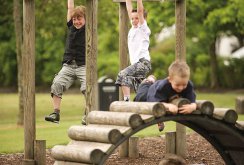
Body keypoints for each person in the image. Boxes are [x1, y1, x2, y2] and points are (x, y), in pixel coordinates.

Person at [45, 0, 86, 124]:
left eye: (79, 19)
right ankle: (56, 113)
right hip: (68, 65)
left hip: (83, 65)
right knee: (57, 83)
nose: (76, 22)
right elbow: (70, 7)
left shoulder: (89, 29)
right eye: (74, 19)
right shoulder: (71, 27)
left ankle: (88, 114)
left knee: (88, 88)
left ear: (86, 20)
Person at [134, 61, 197, 131]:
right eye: (177, 85)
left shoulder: (188, 85)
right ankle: (149, 80)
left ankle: (159, 119)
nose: (181, 88)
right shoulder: (163, 87)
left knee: (161, 107)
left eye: (184, 84)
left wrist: (193, 106)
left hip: (164, 95)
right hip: (149, 92)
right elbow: (155, 102)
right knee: (140, 99)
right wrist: (168, 106)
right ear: (170, 79)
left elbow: (192, 99)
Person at [115, 0, 151, 101]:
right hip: (136, 65)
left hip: (143, 63)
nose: (134, 20)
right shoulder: (133, 29)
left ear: (143, 19)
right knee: (141, 93)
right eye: (132, 18)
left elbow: (140, 11)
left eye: (137, 19)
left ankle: (126, 101)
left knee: (123, 74)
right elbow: (129, 9)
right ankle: (151, 87)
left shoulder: (143, 28)